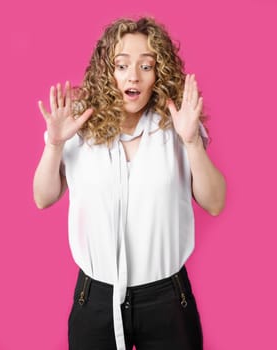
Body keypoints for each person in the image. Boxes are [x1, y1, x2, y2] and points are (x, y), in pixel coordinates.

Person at [33, 16, 226, 350]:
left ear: (158, 73)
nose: (133, 75)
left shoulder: (178, 125)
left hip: (167, 300)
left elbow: (215, 202)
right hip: (95, 298)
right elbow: (42, 197)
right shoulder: (78, 123)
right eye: (121, 66)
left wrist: (192, 142)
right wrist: (54, 146)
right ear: (107, 71)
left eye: (146, 66)